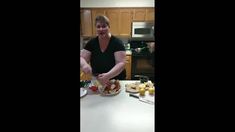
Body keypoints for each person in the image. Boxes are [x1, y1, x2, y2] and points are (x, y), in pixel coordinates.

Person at [80, 15, 126, 86]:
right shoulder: (91, 43)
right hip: (97, 79)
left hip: (116, 79)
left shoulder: (117, 43)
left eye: (104, 26)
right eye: (98, 27)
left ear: (109, 27)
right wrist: (84, 65)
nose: (101, 29)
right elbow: (82, 58)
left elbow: (121, 63)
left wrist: (108, 75)